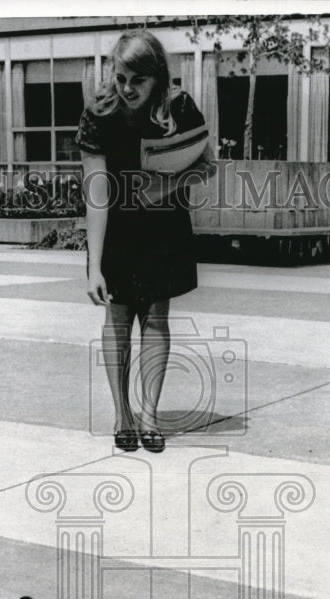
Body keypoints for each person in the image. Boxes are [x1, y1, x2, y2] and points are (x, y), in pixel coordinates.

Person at [76, 30, 215, 453]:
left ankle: (150, 417)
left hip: (164, 229)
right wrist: (94, 265)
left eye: (138, 80)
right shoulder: (99, 112)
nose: (127, 88)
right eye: (120, 78)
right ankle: (123, 415)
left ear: (157, 77)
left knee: (156, 317)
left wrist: (163, 187)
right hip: (116, 230)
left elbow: (207, 166)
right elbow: (96, 193)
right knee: (117, 321)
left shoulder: (180, 108)